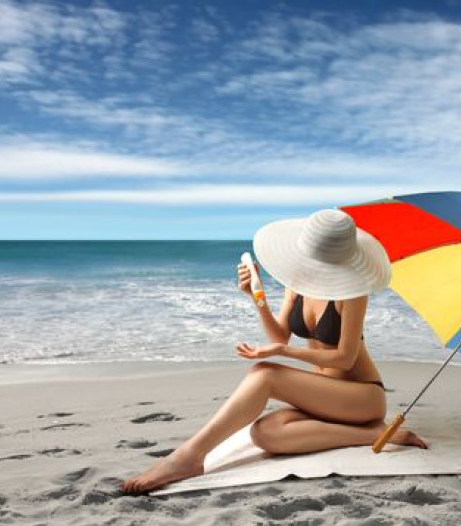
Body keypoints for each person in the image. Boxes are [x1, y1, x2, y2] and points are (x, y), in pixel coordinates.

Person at [120, 208, 426, 494]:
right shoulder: (299, 282)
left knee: (264, 373)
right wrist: (258, 299)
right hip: (328, 397)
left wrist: (282, 352)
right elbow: (281, 333)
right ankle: (376, 435)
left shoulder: (353, 291)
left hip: (361, 396)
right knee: (265, 434)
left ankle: (190, 455)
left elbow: (344, 358)